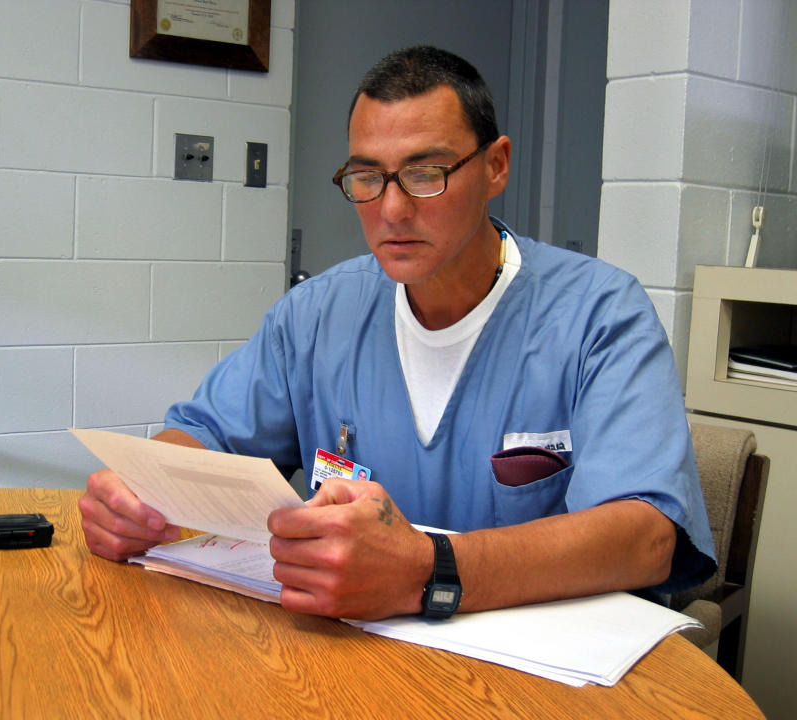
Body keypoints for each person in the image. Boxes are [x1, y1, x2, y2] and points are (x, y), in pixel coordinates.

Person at [79, 46, 716, 621]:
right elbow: (203, 433)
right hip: (354, 661)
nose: (391, 209)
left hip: (539, 677)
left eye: (425, 173)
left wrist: (425, 571)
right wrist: (141, 492)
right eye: (367, 176)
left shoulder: (599, 316)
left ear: (496, 167)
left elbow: (646, 535)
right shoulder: (318, 314)